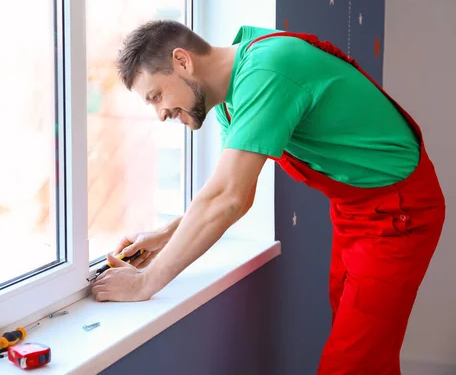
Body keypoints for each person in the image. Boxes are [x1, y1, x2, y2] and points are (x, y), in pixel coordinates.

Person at [90, 20, 445, 374]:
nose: (160, 113)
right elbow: (237, 195)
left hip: (399, 213)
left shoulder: (268, 70)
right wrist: (164, 237)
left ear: (182, 61)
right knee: (365, 347)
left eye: (156, 96)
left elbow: (227, 198)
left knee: (352, 363)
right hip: (355, 209)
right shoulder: (231, 98)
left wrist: (145, 283)